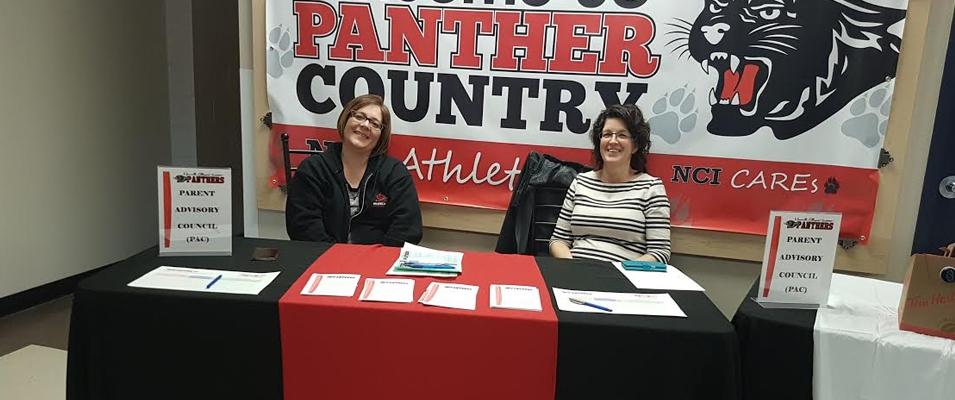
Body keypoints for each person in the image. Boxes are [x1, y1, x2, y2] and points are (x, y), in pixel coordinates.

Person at [286, 94, 423, 246]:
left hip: (378, 258)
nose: (365, 125)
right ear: (345, 119)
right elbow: (302, 226)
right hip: (323, 256)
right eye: (359, 116)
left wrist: (376, 257)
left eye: (375, 124)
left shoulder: (395, 173)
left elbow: (408, 228)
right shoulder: (313, 169)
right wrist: (336, 256)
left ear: (381, 135)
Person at [549, 104, 671, 263]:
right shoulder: (580, 183)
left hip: (623, 275)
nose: (613, 141)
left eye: (622, 135)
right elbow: (558, 240)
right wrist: (572, 265)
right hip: (574, 270)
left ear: (635, 146)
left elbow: (660, 252)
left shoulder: (651, 189)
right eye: (607, 134)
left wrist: (620, 272)